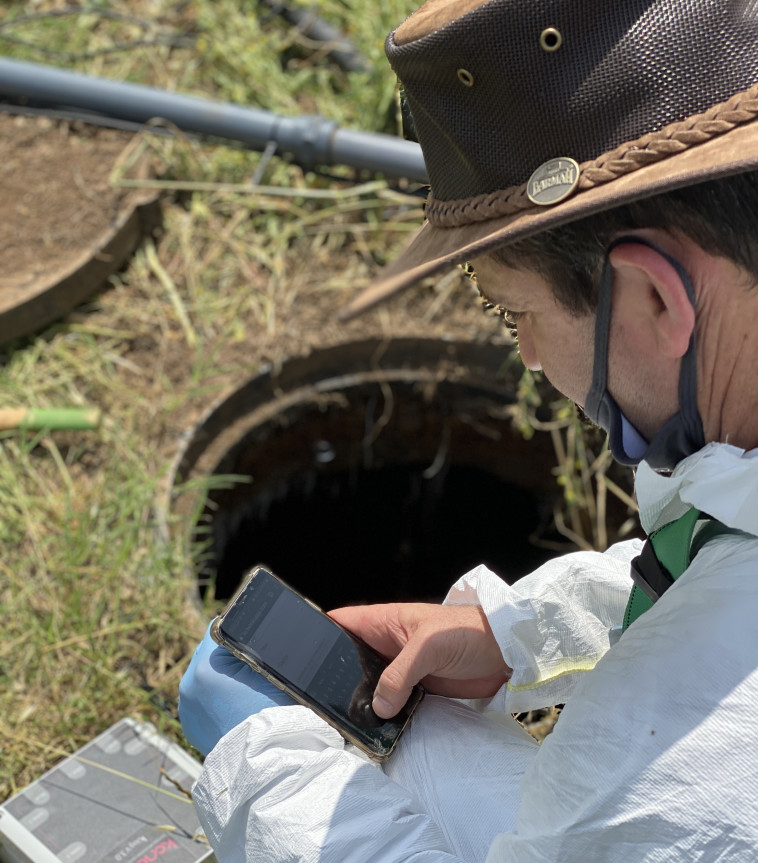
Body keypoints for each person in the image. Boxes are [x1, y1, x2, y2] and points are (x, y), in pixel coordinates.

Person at [178, 1, 758, 860]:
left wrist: (265, 771)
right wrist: (521, 633)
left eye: (510, 309)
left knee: (398, 766)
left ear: (653, 299)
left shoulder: (664, 779)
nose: (524, 354)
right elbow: (721, 554)